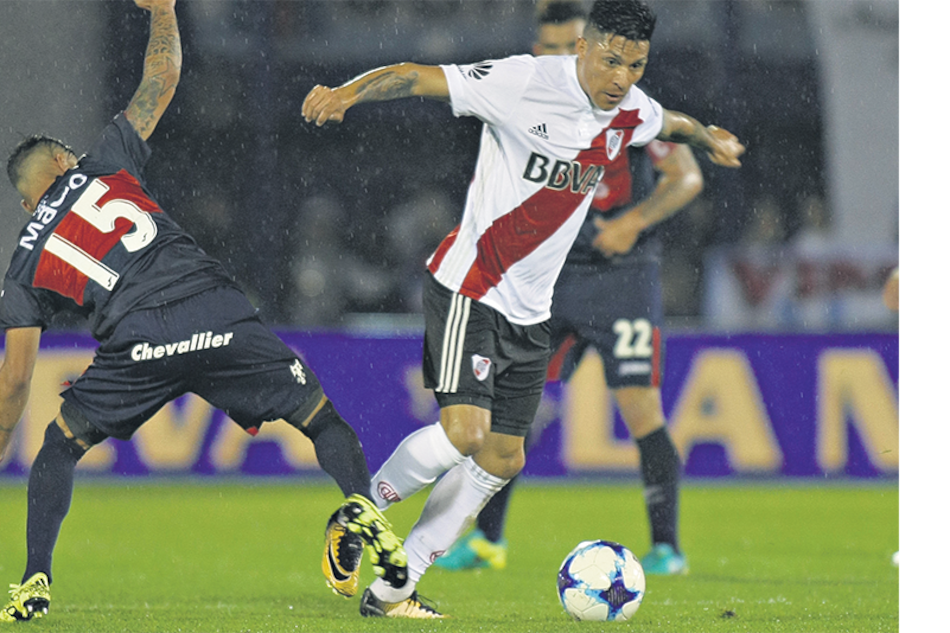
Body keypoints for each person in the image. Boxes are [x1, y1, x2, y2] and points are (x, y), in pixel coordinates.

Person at [302, 0, 744, 618]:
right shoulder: (524, 81)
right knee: (466, 433)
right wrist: (347, 93)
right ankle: (361, 514)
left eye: (636, 65)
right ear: (583, 47)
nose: (621, 77)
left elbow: (671, 123)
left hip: (531, 312)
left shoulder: (631, 110)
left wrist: (708, 136)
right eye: (611, 60)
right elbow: (416, 75)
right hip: (471, 287)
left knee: (505, 456)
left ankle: (396, 589)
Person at [0, 1, 406, 623]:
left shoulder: (24, 262)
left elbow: (15, 381)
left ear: (29, 205)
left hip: (137, 340)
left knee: (59, 446)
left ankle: (35, 579)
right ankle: (359, 504)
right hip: (214, 309)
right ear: (62, 163)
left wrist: (5, 439)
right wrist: (164, 10)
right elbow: (161, 78)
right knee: (321, 420)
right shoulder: (103, 163)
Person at [435, 0, 699, 576]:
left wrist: (633, 222)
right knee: (514, 412)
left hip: (623, 277)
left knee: (640, 408)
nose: (559, 57)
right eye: (549, 48)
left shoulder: (626, 105)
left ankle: (667, 547)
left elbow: (687, 176)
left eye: (567, 45)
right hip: (549, 277)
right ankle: (486, 540)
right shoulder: (530, 96)